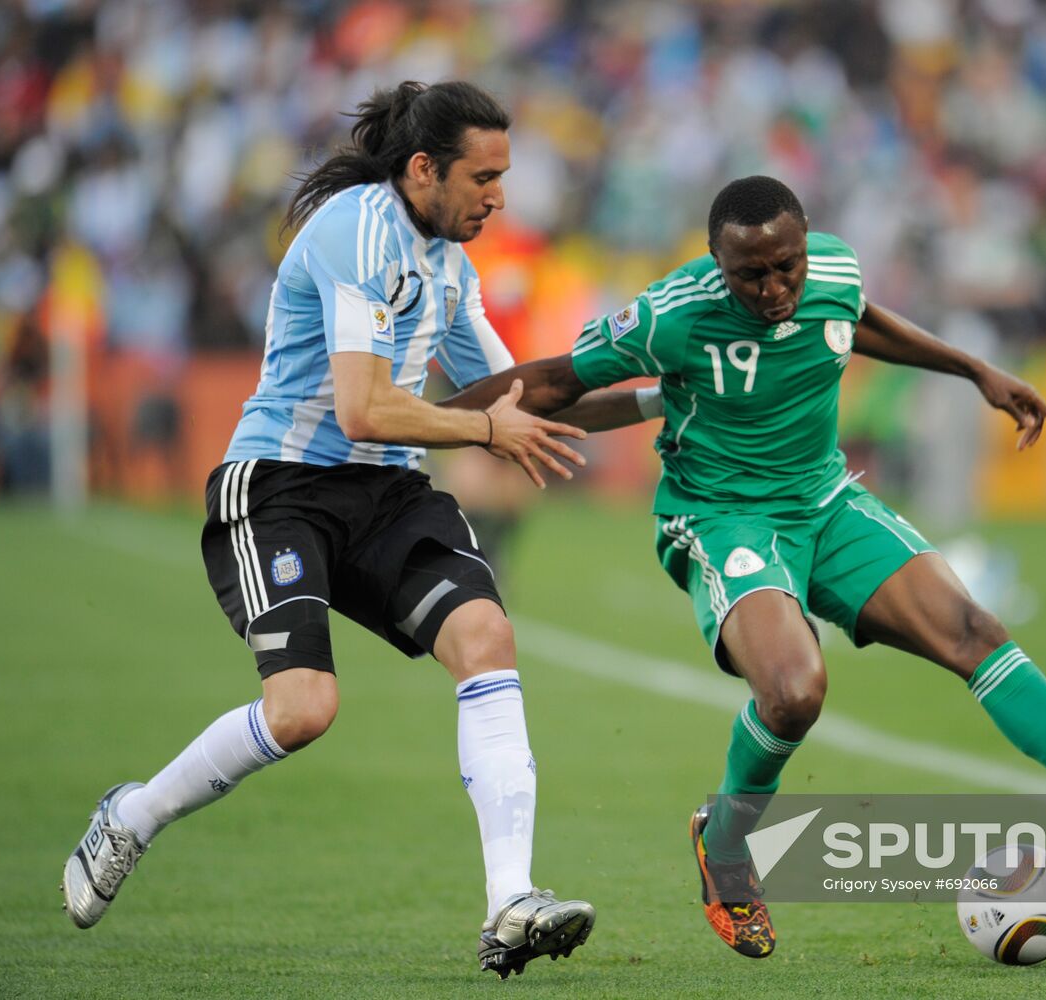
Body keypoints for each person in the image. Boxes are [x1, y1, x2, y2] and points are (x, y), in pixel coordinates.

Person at [442, 175, 1046, 959]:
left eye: (785, 265)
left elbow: (859, 322)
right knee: (794, 693)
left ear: (804, 245)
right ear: (718, 264)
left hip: (824, 501)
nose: (773, 286)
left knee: (974, 630)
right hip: (722, 517)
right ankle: (725, 849)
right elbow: (552, 381)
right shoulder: (670, 315)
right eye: (749, 273)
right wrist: (422, 425)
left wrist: (975, 371)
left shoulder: (834, 270)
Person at [60, 80, 643, 979]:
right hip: (281, 488)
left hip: (387, 494)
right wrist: (488, 429)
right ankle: (131, 817)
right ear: (423, 169)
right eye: (483, 177)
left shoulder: (451, 266)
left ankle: (510, 904)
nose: (499, 196)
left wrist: (663, 399)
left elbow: (529, 394)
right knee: (304, 712)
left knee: (487, 634)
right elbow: (365, 408)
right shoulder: (358, 229)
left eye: (505, 176)